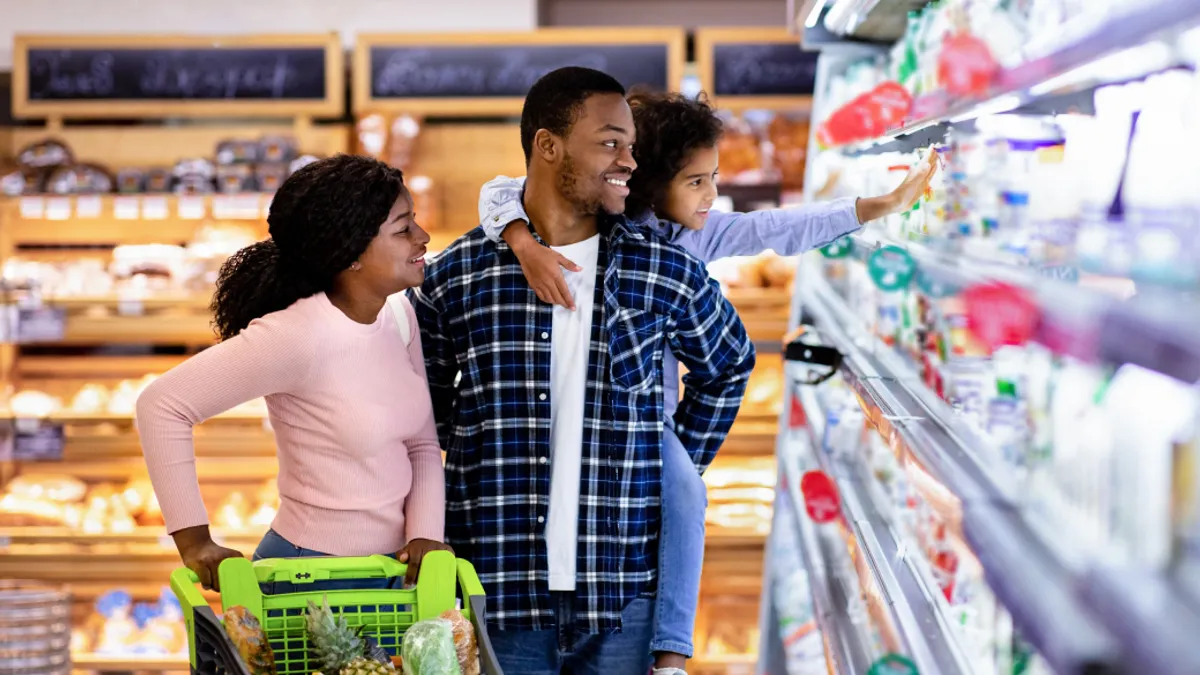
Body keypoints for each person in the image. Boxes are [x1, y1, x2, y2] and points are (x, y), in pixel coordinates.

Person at [477, 91, 938, 673]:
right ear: (648, 178)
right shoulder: (599, 215)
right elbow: (497, 192)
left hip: (649, 421)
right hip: (571, 416)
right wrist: (521, 240)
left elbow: (775, 228)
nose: (711, 195)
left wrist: (876, 206)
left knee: (686, 492)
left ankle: (671, 648)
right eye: (696, 182)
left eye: (713, 179)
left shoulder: (696, 237)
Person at [409, 68, 755, 675]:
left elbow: (728, 365)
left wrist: (672, 462)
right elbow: (421, 422)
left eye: (632, 144)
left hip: (621, 596)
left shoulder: (661, 271)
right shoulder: (458, 277)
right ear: (549, 146)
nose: (629, 160)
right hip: (496, 593)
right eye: (609, 143)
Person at [136, 154, 451, 593]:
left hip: (394, 575)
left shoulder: (398, 316)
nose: (422, 237)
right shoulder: (297, 335)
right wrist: (194, 542)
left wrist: (426, 537)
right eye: (403, 229)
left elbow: (421, 443)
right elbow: (161, 405)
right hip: (310, 578)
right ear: (352, 253)